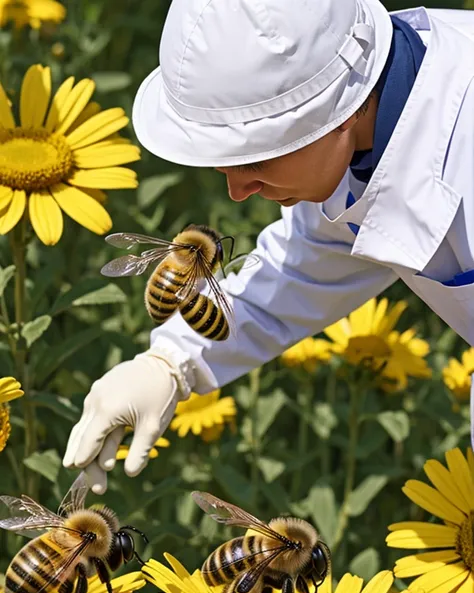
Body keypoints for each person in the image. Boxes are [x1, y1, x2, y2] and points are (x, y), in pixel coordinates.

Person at [64, 0, 474, 494]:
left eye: (257, 157)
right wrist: (170, 362)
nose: (237, 190)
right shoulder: (366, 133)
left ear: (339, 111)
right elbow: (301, 268)